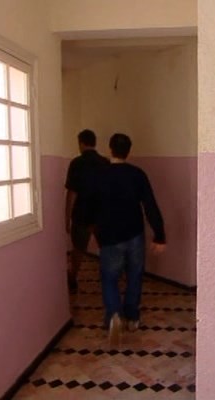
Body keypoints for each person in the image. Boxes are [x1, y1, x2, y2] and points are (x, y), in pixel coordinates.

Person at [85, 133, 166, 345]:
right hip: (134, 234)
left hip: (109, 236)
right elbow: (150, 205)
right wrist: (160, 235)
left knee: (109, 277)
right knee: (135, 275)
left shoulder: (99, 175)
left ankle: (114, 315)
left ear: (110, 148)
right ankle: (132, 317)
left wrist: (92, 229)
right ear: (128, 151)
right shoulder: (137, 174)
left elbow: (88, 206)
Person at [65, 129, 109, 295]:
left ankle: (72, 279)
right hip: (102, 213)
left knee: (78, 249)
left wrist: (67, 217)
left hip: (81, 213)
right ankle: (109, 279)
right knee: (106, 248)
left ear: (81, 143)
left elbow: (72, 193)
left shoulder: (76, 163)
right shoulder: (105, 162)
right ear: (94, 142)